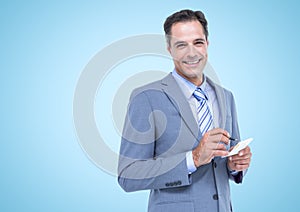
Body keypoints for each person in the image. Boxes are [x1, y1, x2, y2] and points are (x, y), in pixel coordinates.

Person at [118, 9, 252, 212]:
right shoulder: (146, 97)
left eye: (198, 42)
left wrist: (235, 166)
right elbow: (128, 175)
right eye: (181, 45)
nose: (191, 53)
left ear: (207, 44)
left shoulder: (226, 96)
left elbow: (225, 161)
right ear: (169, 49)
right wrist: (194, 158)